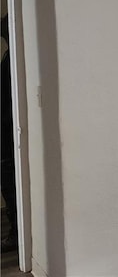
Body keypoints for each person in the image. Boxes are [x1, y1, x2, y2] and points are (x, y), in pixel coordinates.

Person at [1, 14, 18, 252]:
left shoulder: (13, 60)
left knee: (9, 182)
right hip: (7, 131)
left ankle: (16, 234)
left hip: (9, 132)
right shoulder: (9, 57)